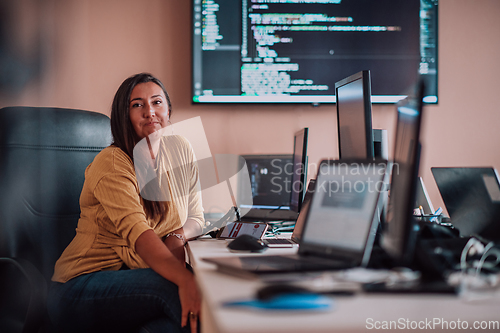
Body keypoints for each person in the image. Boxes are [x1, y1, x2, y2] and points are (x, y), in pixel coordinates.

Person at [47, 73, 204, 333]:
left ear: (168, 109)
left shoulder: (181, 148)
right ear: (124, 115)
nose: (150, 112)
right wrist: (185, 278)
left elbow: (197, 217)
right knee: (175, 288)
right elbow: (139, 235)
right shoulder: (113, 162)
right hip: (80, 286)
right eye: (137, 105)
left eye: (157, 102)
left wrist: (176, 237)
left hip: (139, 279)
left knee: (176, 318)